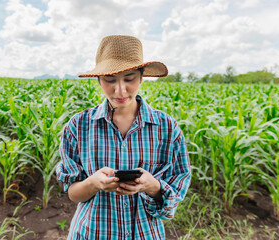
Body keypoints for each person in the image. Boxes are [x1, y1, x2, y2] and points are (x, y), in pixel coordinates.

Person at [56, 35, 191, 239]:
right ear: (99, 79)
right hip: (91, 232)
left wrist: (152, 186)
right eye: (110, 80)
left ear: (142, 76)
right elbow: (73, 193)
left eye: (129, 79)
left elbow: (175, 192)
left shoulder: (167, 128)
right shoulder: (78, 126)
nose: (120, 90)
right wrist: (93, 183)